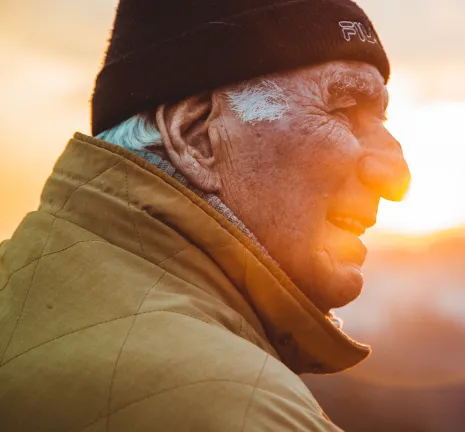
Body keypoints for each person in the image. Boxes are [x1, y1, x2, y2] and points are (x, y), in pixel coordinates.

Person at [0, 0, 410, 430]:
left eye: (381, 118)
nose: (396, 175)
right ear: (196, 138)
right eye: (343, 112)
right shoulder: (247, 411)